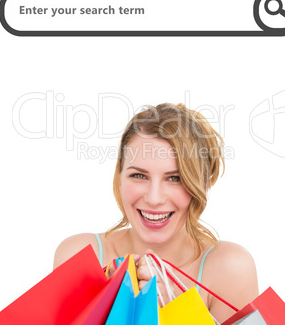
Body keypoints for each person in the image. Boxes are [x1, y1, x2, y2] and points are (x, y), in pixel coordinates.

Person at [53, 103, 259, 323]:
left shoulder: (230, 268)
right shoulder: (82, 255)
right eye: (139, 176)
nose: (154, 198)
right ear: (119, 178)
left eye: (175, 178)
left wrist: (182, 313)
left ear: (202, 184)